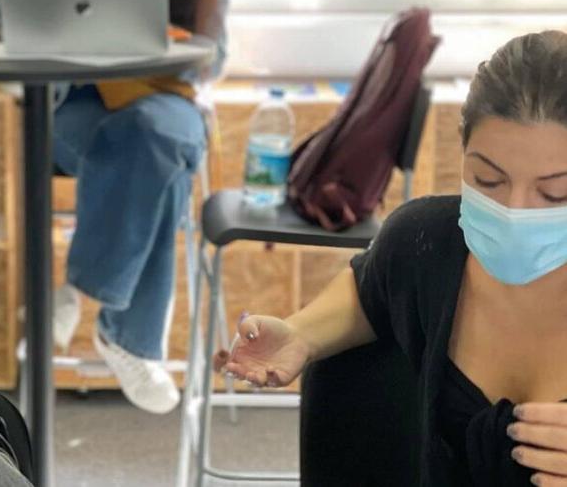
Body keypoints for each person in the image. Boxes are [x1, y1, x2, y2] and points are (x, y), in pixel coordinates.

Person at [218, 30, 567, 485]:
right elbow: (372, 292)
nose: (515, 210)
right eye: (488, 180)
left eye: (555, 193)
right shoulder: (426, 243)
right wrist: (301, 334)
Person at [0, 0, 227, 414]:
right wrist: (38, 12)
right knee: (160, 164)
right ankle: (130, 340)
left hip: (162, 99)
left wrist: (171, 40)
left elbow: (218, 54)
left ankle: (77, 291)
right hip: (75, 102)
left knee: (157, 138)